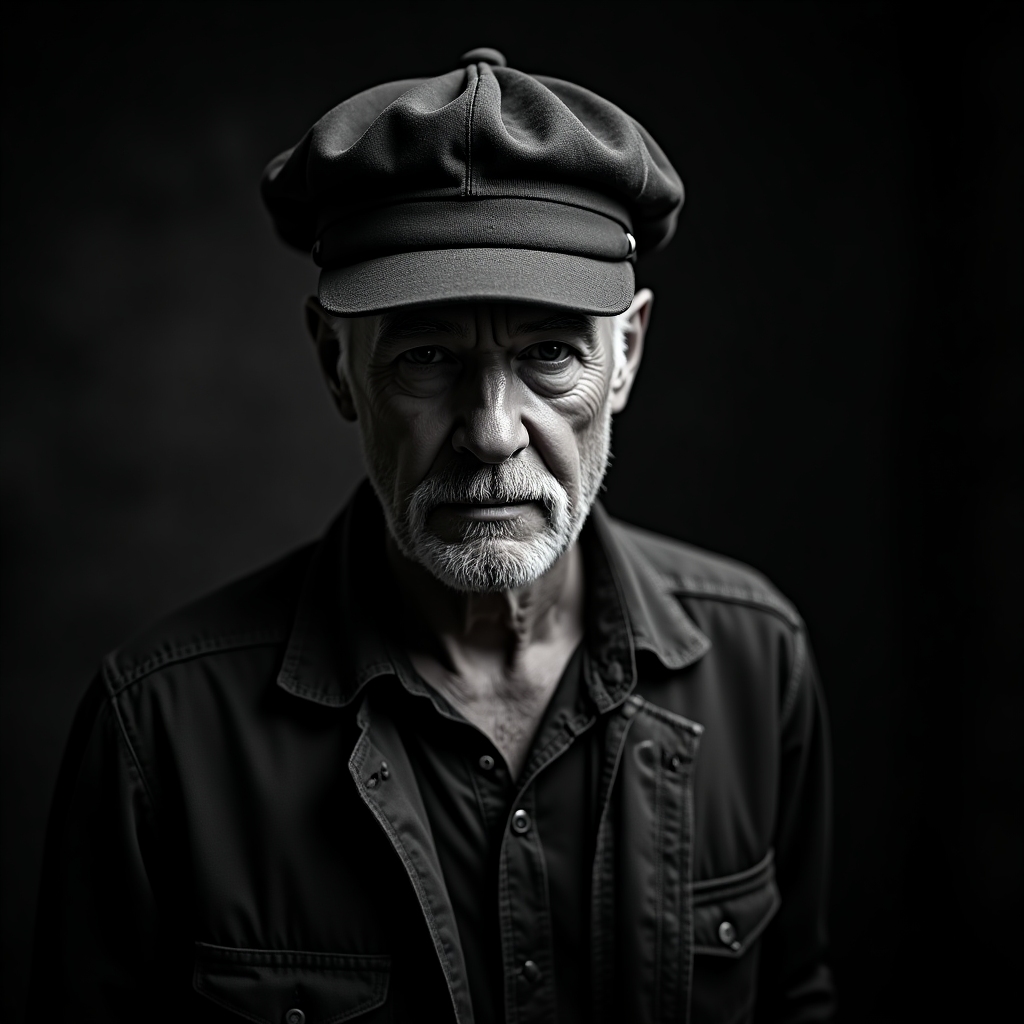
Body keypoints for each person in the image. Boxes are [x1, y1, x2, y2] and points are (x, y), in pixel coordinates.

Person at [30, 48, 836, 1023]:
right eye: (425, 356)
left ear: (624, 355)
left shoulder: (758, 662)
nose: (492, 431)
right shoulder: (159, 730)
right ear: (336, 363)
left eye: (549, 354)